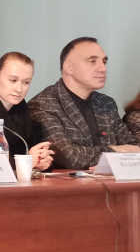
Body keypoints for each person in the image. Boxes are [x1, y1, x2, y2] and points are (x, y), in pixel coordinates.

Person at [28, 37, 140, 170]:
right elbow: (70, 157)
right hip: (66, 182)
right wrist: (115, 150)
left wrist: (118, 155)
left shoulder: (106, 103)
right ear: (69, 67)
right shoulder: (43, 104)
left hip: (109, 181)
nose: (103, 68)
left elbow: (134, 149)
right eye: (92, 61)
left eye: (104, 62)